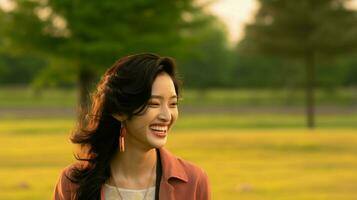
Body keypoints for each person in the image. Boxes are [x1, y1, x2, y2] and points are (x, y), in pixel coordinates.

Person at [52, 53, 211, 200]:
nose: (167, 116)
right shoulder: (73, 183)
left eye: (173, 104)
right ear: (119, 110)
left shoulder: (193, 182)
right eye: (154, 103)